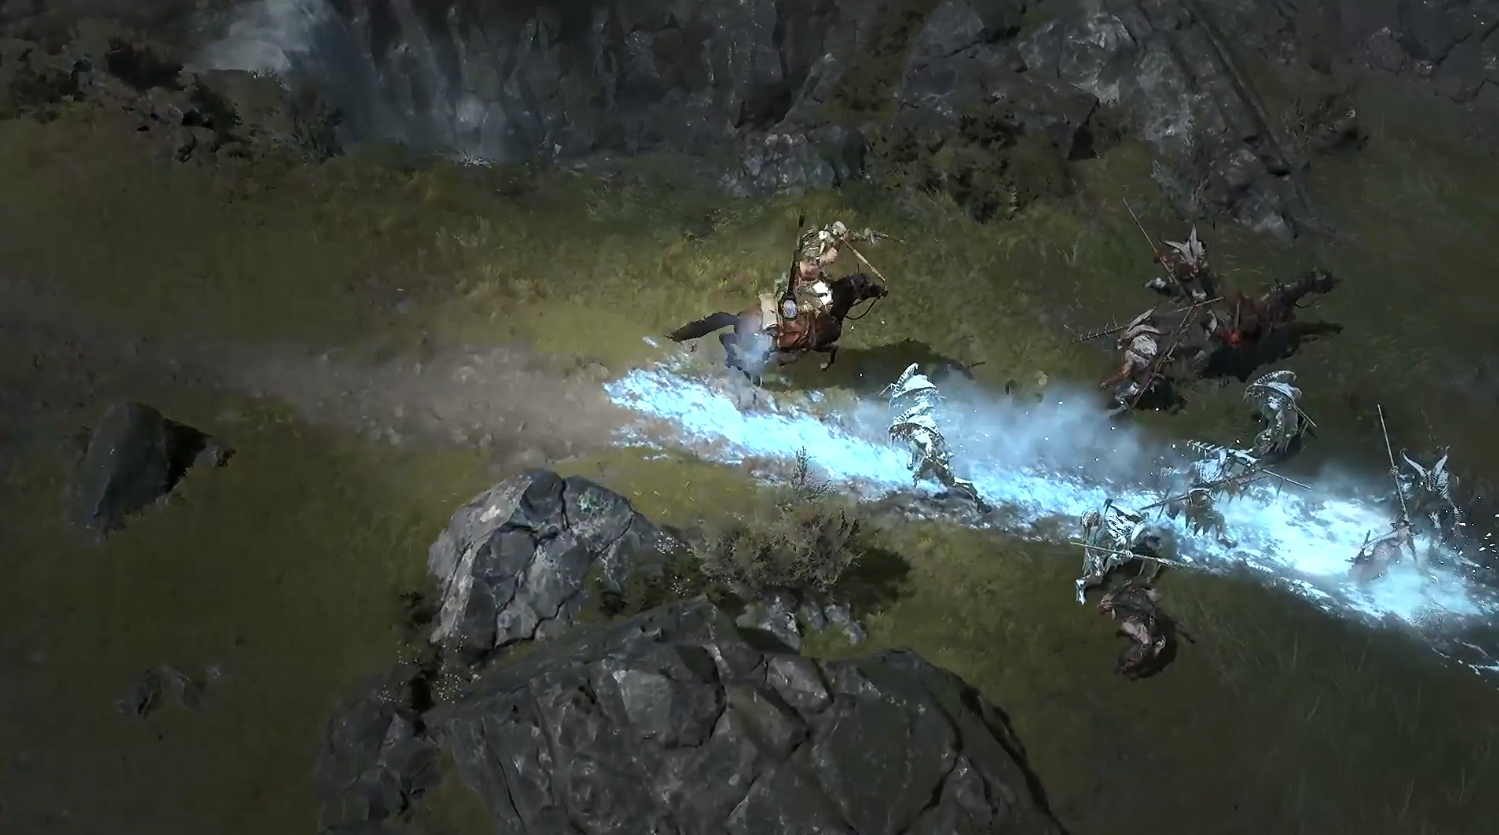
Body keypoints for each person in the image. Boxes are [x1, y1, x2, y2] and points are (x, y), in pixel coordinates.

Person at [1097, 579, 1172, 679]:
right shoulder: (1128, 621)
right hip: (1137, 608)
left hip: (1139, 610)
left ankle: (1127, 665)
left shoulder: (1130, 625)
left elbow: (1147, 642)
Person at [1100, 310, 1165, 415]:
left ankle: (1118, 409)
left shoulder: (1131, 355)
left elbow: (1124, 374)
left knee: (1122, 393)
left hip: (1143, 373)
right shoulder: (1143, 337)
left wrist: (1106, 383)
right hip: (1144, 363)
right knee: (1129, 381)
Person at [1146, 225, 1215, 302]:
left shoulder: (1197, 255)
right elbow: (1169, 261)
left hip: (1191, 280)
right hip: (1184, 280)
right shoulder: (1182, 255)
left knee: (1199, 294)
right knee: (1178, 290)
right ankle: (1157, 284)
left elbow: (1202, 270)